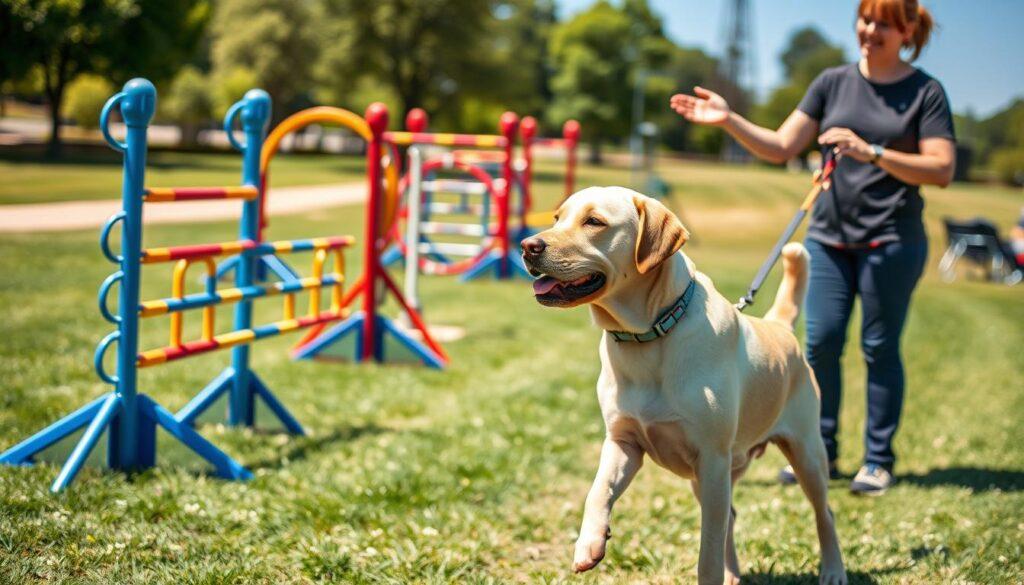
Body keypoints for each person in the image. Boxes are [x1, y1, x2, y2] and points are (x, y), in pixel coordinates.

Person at [669, 0, 955, 495]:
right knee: (819, 343)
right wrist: (730, 119)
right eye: (865, 19)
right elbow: (782, 146)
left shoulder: (924, 91)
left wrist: (874, 152)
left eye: (883, 24)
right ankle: (818, 446)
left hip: (892, 239)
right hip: (828, 237)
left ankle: (878, 460)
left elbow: (942, 168)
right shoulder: (832, 82)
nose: (869, 31)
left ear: (907, 30)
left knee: (879, 347)